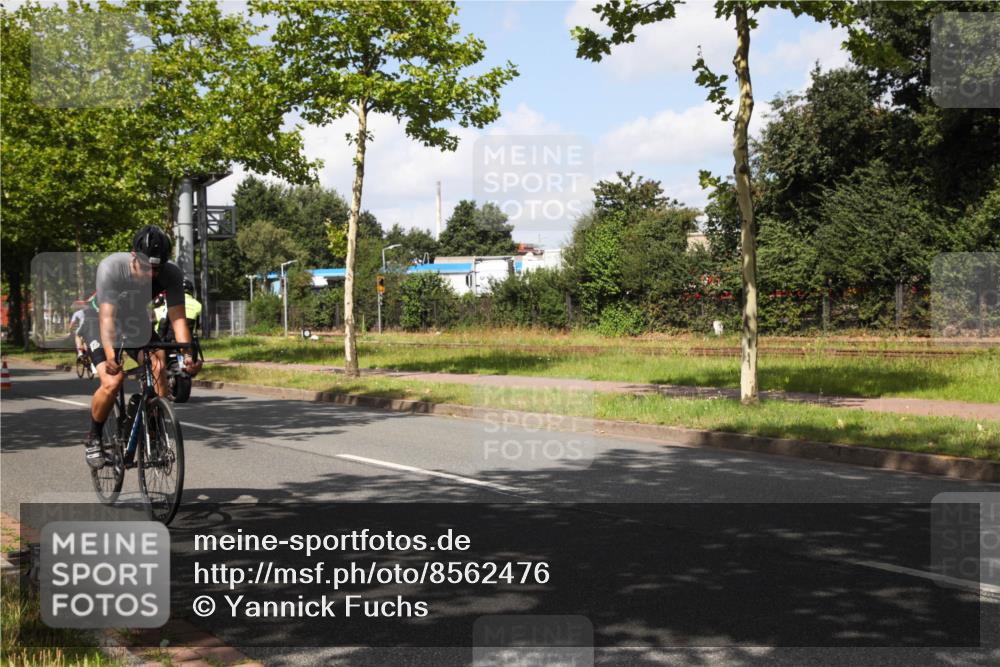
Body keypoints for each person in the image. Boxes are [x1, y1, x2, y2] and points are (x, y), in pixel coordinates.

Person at [83, 225, 202, 469]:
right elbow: (107, 319)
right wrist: (111, 356)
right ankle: (93, 438)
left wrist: (187, 355)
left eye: (156, 269)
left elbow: (178, 319)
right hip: (99, 321)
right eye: (146, 267)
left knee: (158, 364)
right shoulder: (112, 267)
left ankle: (154, 430)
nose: (151, 274)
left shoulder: (171, 274)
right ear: (133, 257)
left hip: (135, 321)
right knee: (112, 381)